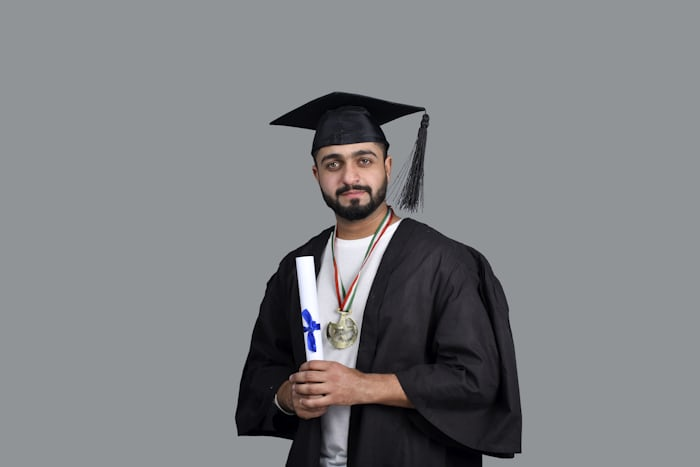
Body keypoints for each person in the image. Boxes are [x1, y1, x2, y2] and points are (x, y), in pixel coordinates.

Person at [235, 92, 522, 467]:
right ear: (316, 174)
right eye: (333, 163)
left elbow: (475, 379)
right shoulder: (297, 266)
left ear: (387, 166)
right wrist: (289, 395)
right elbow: (261, 372)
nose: (349, 177)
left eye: (364, 160)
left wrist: (362, 386)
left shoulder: (444, 262)